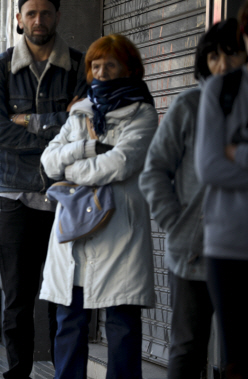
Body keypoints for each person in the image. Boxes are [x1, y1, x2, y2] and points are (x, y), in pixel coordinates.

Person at [38, 34, 157, 378]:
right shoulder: (81, 112)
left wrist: (71, 169)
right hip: (75, 229)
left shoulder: (143, 114)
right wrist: (87, 150)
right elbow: (49, 161)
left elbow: (120, 164)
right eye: (95, 65)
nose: (101, 72)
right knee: (69, 322)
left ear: (128, 68)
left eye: (110, 64)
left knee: (121, 324)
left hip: (120, 228)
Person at [0, 0, 87, 376]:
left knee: (65, 298)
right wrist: (60, 132)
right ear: (18, 19)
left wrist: (29, 121)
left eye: (46, 12)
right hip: (16, 195)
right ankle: (17, 372)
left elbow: (88, 126)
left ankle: (65, 372)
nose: (39, 20)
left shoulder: (79, 65)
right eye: (31, 13)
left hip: (67, 195)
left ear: (58, 16)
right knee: (18, 298)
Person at [139, 19, 246, 379]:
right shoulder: (190, 105)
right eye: (213, 55)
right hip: (192, 250)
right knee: (187, 346)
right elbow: (154, 171)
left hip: (237, 244)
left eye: (231, 53)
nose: (222, 64)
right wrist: (175, 223)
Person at [195, 3, 248, 377]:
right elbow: (209, 167)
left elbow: (224, 161)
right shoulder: (222, 90)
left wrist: (239, 153)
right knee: (237, 358)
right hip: (229, 244)